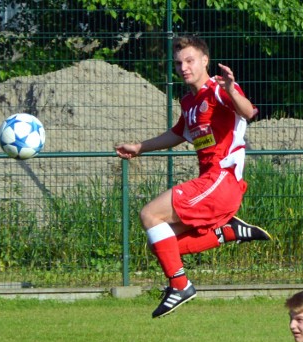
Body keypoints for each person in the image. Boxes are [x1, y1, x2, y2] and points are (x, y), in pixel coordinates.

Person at [115, 35, 271, 319]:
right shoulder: (189, 101)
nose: (183, 67)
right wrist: (139, 147)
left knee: (150, 215)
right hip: (212, 183)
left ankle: (181, 285)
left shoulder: (218, 90)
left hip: (222, 179)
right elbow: (177, 134)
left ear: (205, 61)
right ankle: (228, 232)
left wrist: (232, 89)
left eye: (189, 60)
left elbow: (248, 112)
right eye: (178, 63)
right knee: (160, 244)